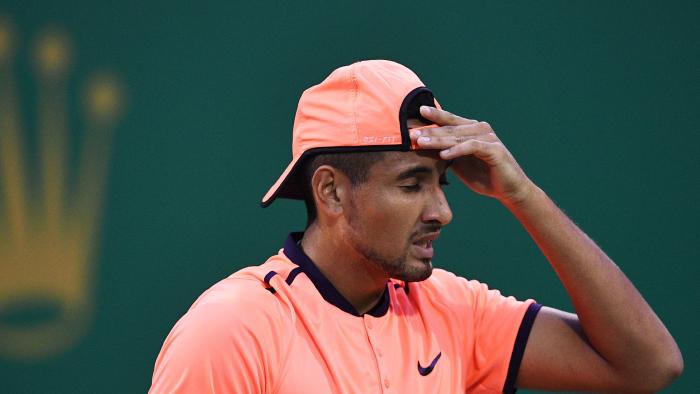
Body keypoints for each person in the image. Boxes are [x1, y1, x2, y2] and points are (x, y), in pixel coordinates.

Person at [149, 60, 683, 393]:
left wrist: (521, 195)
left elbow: (648, 367)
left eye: (442, 184)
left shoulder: (454, 310)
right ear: (331, 192)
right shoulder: (233, 328)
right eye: (412, 185)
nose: (441, 212)